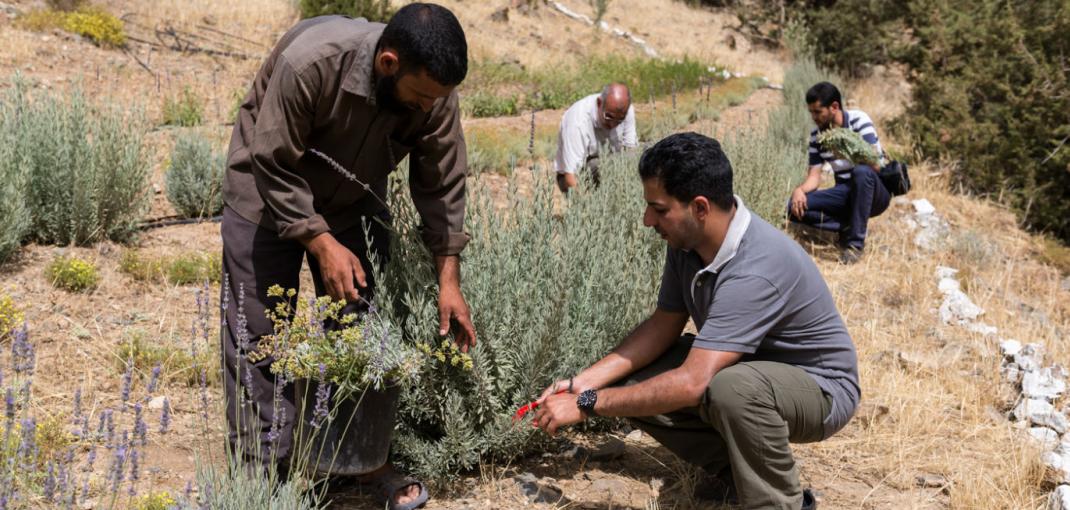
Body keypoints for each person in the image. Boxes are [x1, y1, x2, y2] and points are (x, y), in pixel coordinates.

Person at [220, 4, 476, 509]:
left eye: (438, 99)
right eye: (421, 97)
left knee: (359, 329)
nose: (429, 109)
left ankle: (353, 462)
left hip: (354, 200)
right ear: (388, 64)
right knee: (260, 334)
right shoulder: (312, 63)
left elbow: (443, 185)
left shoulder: (434, 93)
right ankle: (262, 475)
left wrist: (449, 280)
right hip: (266, 193)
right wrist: (318, 240)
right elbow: (271, 160)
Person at [533, 132, 859, 510]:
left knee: (733, 389)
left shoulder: (757, 268)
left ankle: (780, 502)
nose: (646, 220)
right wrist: (581, 383)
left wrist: (588, 403)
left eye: (658, 208)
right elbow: (662, 325)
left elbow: (692, 384)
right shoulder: (689, 243)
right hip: (750, 368)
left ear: (700, 207)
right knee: (636, 376)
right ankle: (736, 473)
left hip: (820, 389)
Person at [787, 81, 890, 264]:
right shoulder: (816, 136)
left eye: (818, 112)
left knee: (861, 172)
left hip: (874, 191)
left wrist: (847, 147)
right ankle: (848, 225)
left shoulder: (859, 120)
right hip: (844, 192)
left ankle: (854, 245)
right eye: (811, 112)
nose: (814, 117)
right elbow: (814, 177)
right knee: (793, 207)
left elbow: (876, 165)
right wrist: (799, 191)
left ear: (834, 107)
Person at [553, 82, 638, 192]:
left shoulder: (626, 110)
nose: (613, 124)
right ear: (599, 104)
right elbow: (570, 177)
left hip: (610, 165)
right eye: (609, 117)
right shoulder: (577, 122)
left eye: (620, 120)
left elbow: (631, 152)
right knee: (599, 165)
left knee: (650, 154)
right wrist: (588, 206)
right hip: (577, 175)